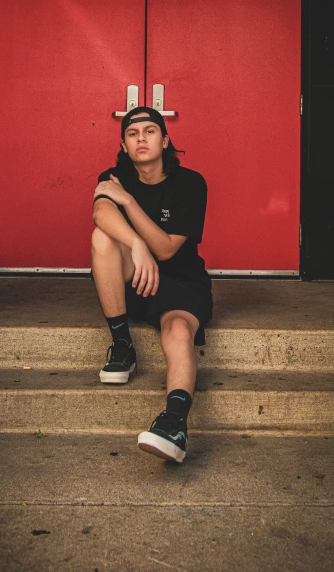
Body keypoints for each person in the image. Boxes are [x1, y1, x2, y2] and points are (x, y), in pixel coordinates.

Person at [91, 106, 212, 463]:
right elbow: (101, 212)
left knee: (177, 331)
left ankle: (174, 424)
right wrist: (138, 246)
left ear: (165, 139)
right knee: (103, 238)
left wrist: (127, 200)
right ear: (124, 146)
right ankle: (123, 345)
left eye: (149, 131)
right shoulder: (112, 175)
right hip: (135, 277)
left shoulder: (191, 183)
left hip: (182, 280)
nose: (141, 138)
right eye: (132, 133)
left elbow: (167, 249)